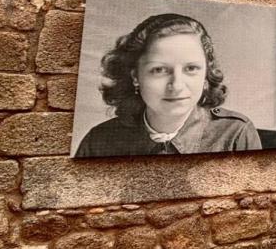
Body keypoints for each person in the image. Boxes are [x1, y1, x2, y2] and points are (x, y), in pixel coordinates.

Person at [75, 14, 261, 157]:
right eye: (159, 70)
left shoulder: (236, 134)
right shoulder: (99, 141)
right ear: (135, 76)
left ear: (205, 74)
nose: (177, 85)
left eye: (191, 68)